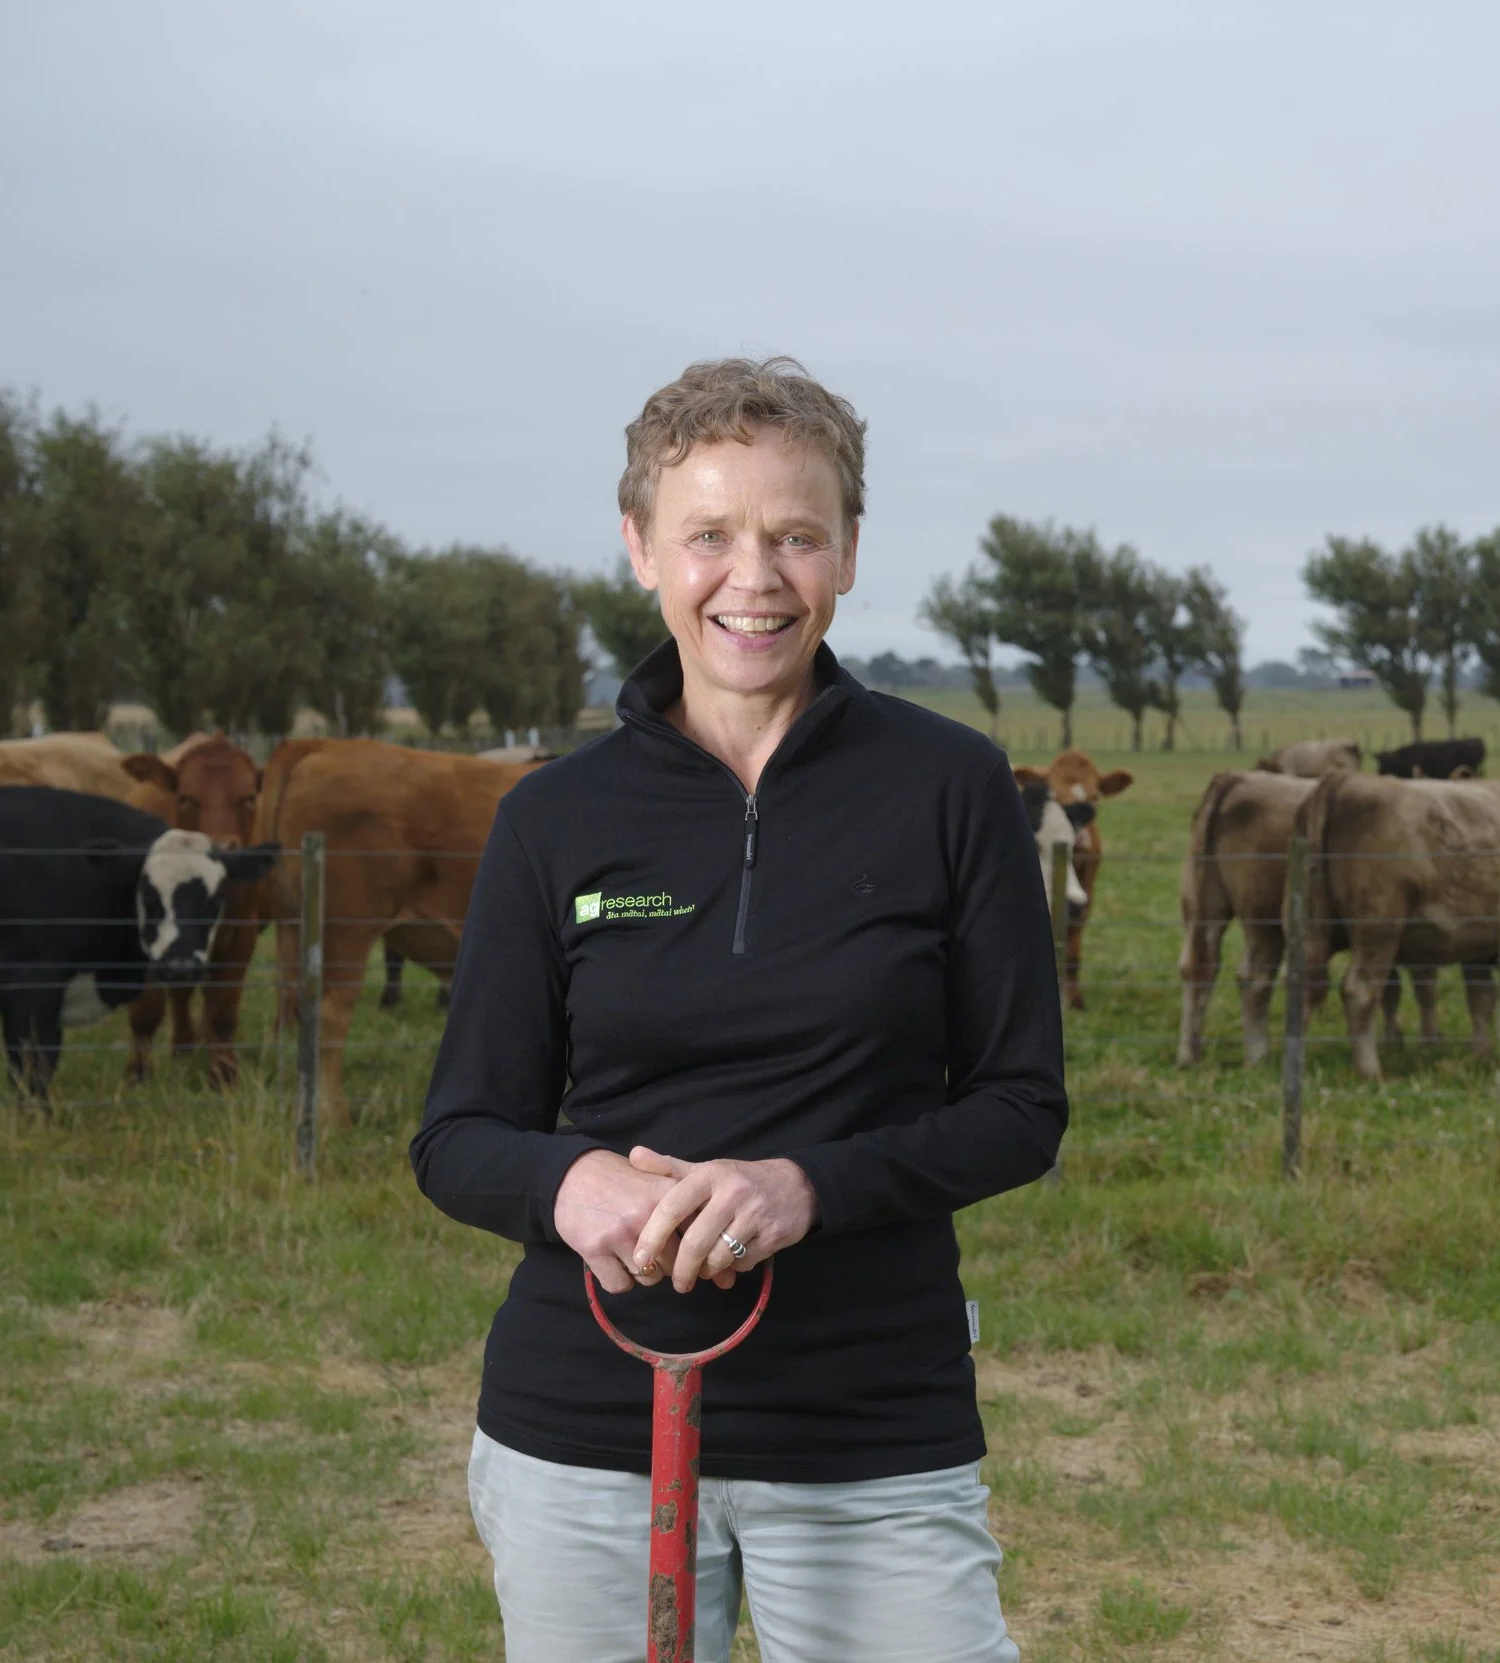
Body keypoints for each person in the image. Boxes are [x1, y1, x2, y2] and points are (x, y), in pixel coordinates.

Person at [410, 356, 1065, 1662]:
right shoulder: (554, 818)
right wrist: (574, 1184)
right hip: (587, 1421)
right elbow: (461, 1132)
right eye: (708, 534)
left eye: (794, 536)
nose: (752, 578)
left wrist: (802, 1187)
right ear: (641, 547)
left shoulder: (952, 787)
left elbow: (1018, 1108)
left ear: (850, 552)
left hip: (870, 1418)